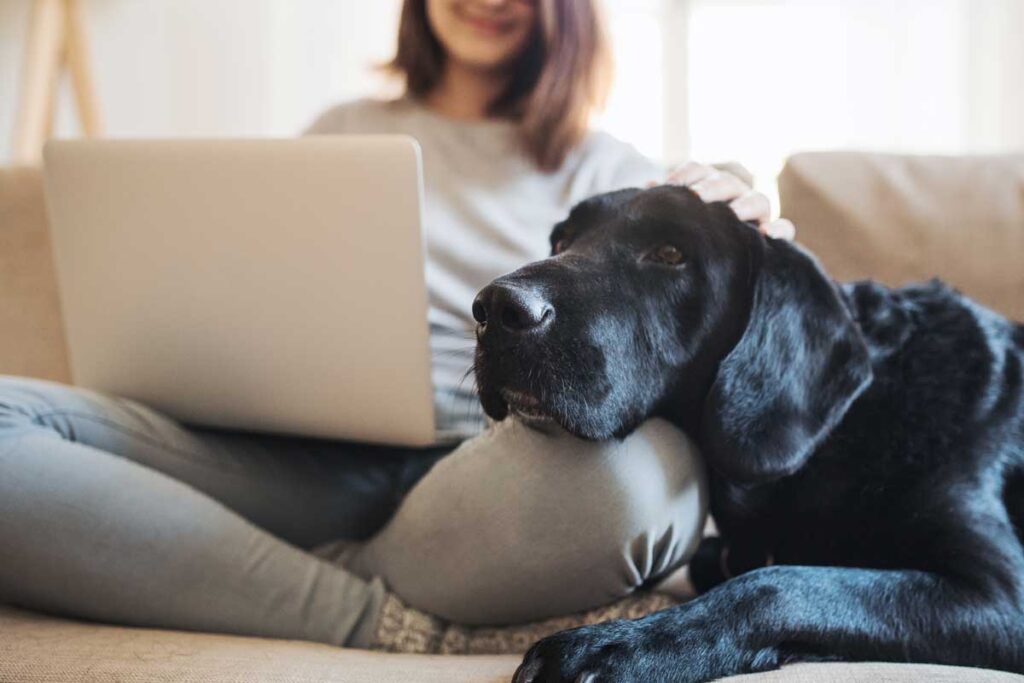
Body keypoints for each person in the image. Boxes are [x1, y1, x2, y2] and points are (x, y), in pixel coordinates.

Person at [0, 0, 792, 649]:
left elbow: (721, 310)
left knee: (640, 484)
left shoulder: (609, 170)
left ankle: (243, 567)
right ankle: (376, 613)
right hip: (295, 454)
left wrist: (751, 224)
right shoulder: (340, 132)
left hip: (492, 472)